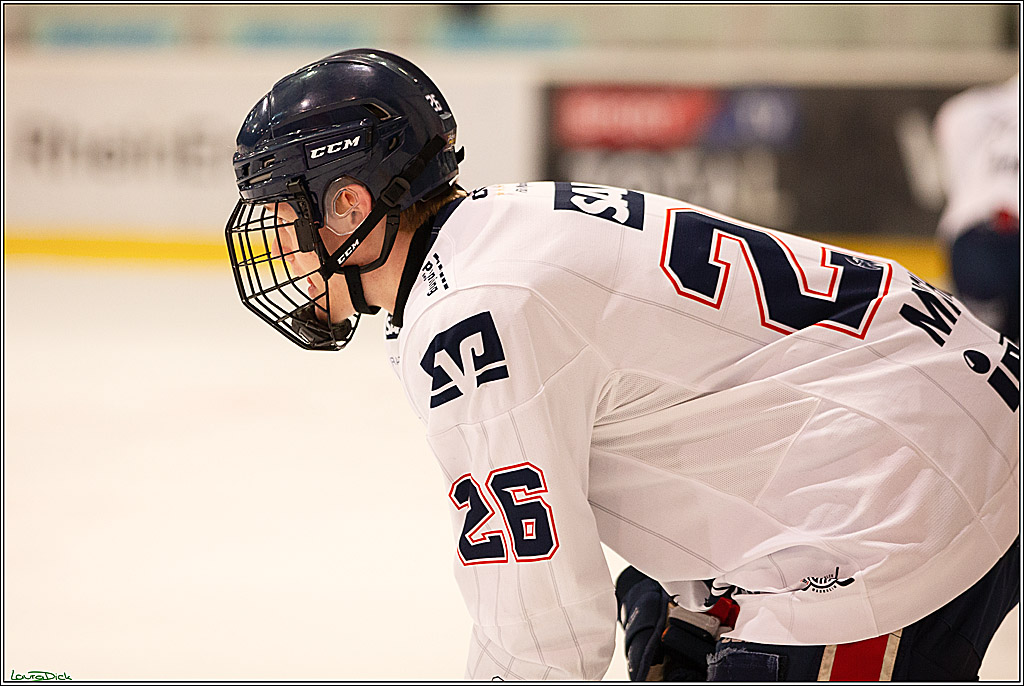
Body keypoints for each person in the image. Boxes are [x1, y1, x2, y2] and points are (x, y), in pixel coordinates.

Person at [225, 49, 1019, 681]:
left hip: (902, 493)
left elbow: (541, 637)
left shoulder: (470, 315)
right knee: (655, 607)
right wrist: (685, 595)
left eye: (285, 211)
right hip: (951, 407)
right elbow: (702, 402)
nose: (279, 244)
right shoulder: (503, 230)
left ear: (351, 203)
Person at [933, 74, 1020, 344]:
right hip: (979, 243)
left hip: (975, 240)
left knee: (980, 346)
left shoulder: (968, 111)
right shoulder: (970, 111)